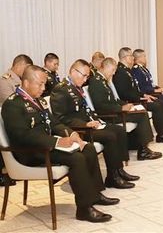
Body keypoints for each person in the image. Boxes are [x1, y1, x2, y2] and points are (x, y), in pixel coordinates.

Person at [1, 65, 119, 223]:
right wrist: (57, 141)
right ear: (26, 82)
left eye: (44, 84)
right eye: (40, 84)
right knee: (76, 158)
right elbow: (22, 136)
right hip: (30, 152)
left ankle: (94, 194)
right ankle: (84, 209)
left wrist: (71, 133)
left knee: (87, 148)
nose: (44, 88)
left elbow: (54, 123)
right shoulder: (12, 104)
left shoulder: (39, 100)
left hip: (46, 146)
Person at [50, 59, 139, 189]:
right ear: (73, 71)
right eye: (83, 75)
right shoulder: (61, 90)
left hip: (90, 124)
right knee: (110, 136)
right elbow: (62, 118)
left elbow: (85, 109)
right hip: (79, 129)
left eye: (87, 76)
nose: (85, 79)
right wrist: (85, 124)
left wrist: (95, 120)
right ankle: (112, 177)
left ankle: (119, 170)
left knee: (118, 131)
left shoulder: (75, 87)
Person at [88, 57, 162, 160]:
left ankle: (141, 146)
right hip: (109, 115)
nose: (113, 73)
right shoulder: (96, 82)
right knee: (141, 115)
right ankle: (143, 150)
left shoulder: (102, 80)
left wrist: (127, 105)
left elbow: (114, 100)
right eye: (112, 70)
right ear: (105, 67)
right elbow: (100, 105)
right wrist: (121, 108)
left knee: (140, 111)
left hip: (115, 110)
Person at [112, 47, 163, 143]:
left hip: (137, 98)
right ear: (125, 57)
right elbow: (124, 93)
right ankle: (161, 134)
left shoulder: (127, 70)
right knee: (156, 106)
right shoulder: (120, 72)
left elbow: (135, 88)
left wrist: (144, 95)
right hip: (131, 102)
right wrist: (140, 98)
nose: (133, 58)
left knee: (160, 102)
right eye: (131, 56)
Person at [0, 54, 33, 187]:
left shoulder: (19, 80)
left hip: (21, 119)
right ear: (19, 65)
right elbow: (12, 104)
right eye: (26, 68)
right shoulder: (5, 81)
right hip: (7, 122)